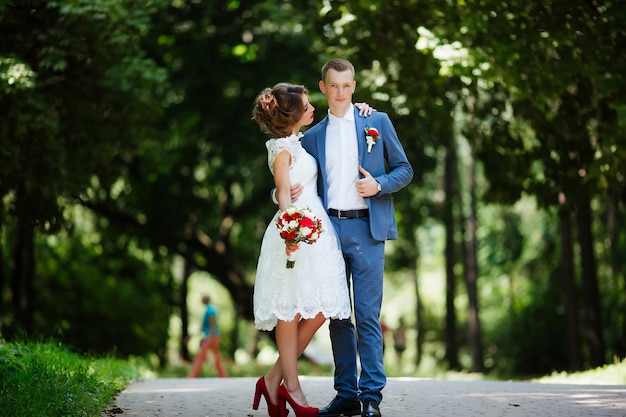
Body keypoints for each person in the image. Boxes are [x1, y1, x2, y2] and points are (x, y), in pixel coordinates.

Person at [290, 58, 413, 417]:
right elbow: (291, 180)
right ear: (323, 87)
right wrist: (283, 201)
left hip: (368, 230)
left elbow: (404, 169)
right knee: (338, 316)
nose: (341, 93)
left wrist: (379, 184)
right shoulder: (311, 137)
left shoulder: (376, 122)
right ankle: (346, 393)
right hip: (328, 233)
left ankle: (371, 395)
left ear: (354, 87)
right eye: (334, 86)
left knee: (367, 316)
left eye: (347, 86)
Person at [251, 83, 370, 417]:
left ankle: (273, 379)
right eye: (305, 106)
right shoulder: (281, 148)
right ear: (292, 114)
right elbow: (283, 192)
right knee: (290, 310)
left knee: (322, 307)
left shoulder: (298, 143)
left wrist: (362, 110)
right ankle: (291, 387)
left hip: (318, 231)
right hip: (296, 233)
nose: (311, 109)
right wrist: (291, 230)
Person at [189, 294, 228, 378]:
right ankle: (223, 375)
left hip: (211, 336)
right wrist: (191, 336)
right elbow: (203, 327)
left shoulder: (210, 310)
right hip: (212, 336)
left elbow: (212, 324)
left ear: (204, 300)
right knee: (216, 356)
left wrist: (211, 337)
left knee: (201, 356)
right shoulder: (208, 310)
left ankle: (193, 376)